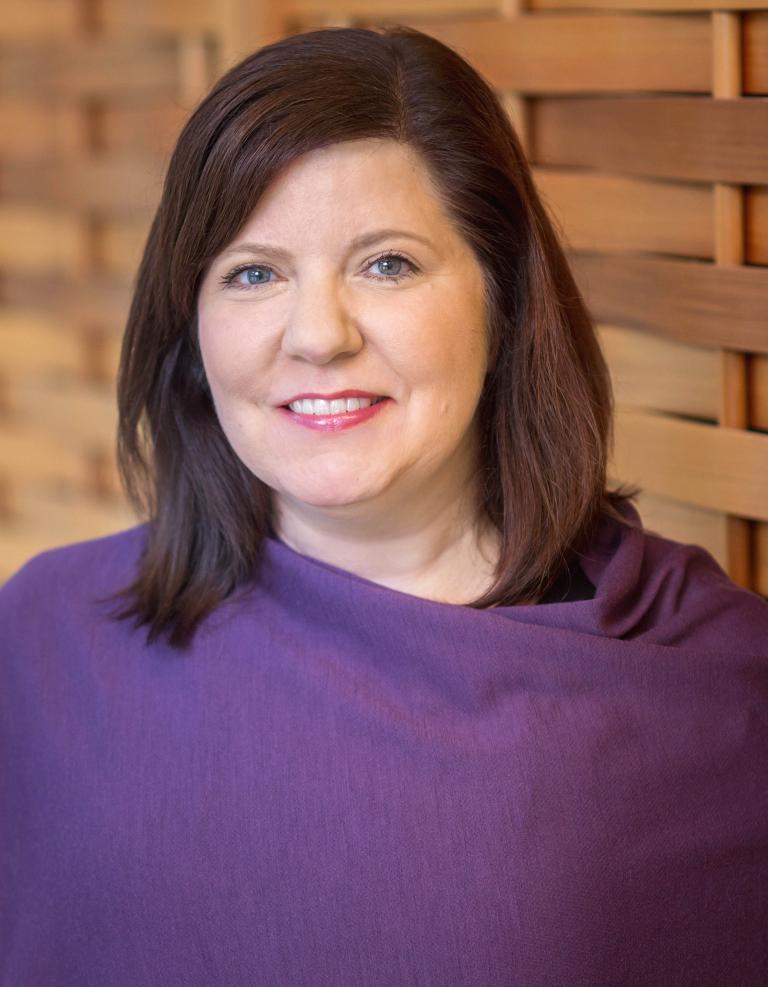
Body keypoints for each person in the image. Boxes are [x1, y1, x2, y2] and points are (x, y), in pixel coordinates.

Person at [1, 24, 767, 987]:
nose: (319, 335)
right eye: (253, 273)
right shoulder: (42, 641)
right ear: (190, 327)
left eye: (388, 264)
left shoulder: (721, 694)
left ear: (504, 297)